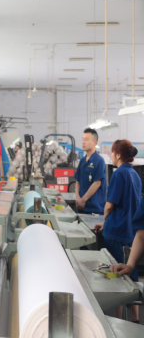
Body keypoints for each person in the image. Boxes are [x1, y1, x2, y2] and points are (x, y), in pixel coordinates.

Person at [95, 140, 140, 321]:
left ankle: (119, 320)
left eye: (112, 152)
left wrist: (105, 222)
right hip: (131, 233)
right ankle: (135, 318)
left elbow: (109, 205)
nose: (111, 156)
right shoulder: (135, 175)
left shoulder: (119, 174)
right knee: (131, 275)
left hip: (116, 233)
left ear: (118, 155)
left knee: (115, 275)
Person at [74, 128, 106, 214]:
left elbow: (97, 183)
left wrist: (83, 200)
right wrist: (78, 198)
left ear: (94, 142)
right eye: (82, 139)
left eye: (86, 139)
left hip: (94, 209)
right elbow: (77, 180)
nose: (83, 142)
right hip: (81, 207)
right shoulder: (82, 161)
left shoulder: (99, 160)